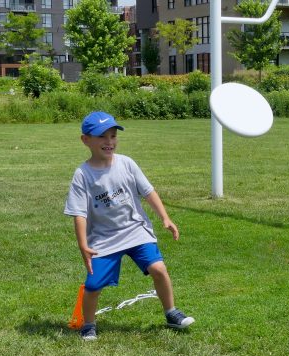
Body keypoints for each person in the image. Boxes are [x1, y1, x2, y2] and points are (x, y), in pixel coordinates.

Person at [64, 111, 195, 341]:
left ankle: (171, 313)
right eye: (102, 137)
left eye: (113, 136)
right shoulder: (82, 175)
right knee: (93, 285)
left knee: (159, 269)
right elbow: (79, 213)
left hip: (135, 230)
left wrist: (165, 217)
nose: (109, 142)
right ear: (85, 140)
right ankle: (89, 325)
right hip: (104, 238)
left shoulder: (127, 163)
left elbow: (148, 191)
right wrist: (83, 245)